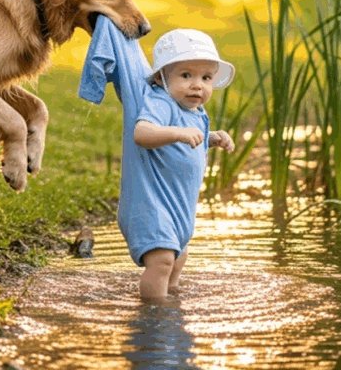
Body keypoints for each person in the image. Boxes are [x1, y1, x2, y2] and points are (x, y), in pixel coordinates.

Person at [79, 19, 235, 301]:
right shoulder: (160, 101)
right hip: (149, 204)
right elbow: (143, 132)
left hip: (177, 209)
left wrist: (211, 137)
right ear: (162, 77)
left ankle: (171, 300)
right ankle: (154, 315)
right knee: (162, 261)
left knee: (178, 258)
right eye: (185, 75)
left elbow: (189, 138)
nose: (196, 86)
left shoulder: (195, 111)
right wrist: (178, 133)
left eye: (206, 78)